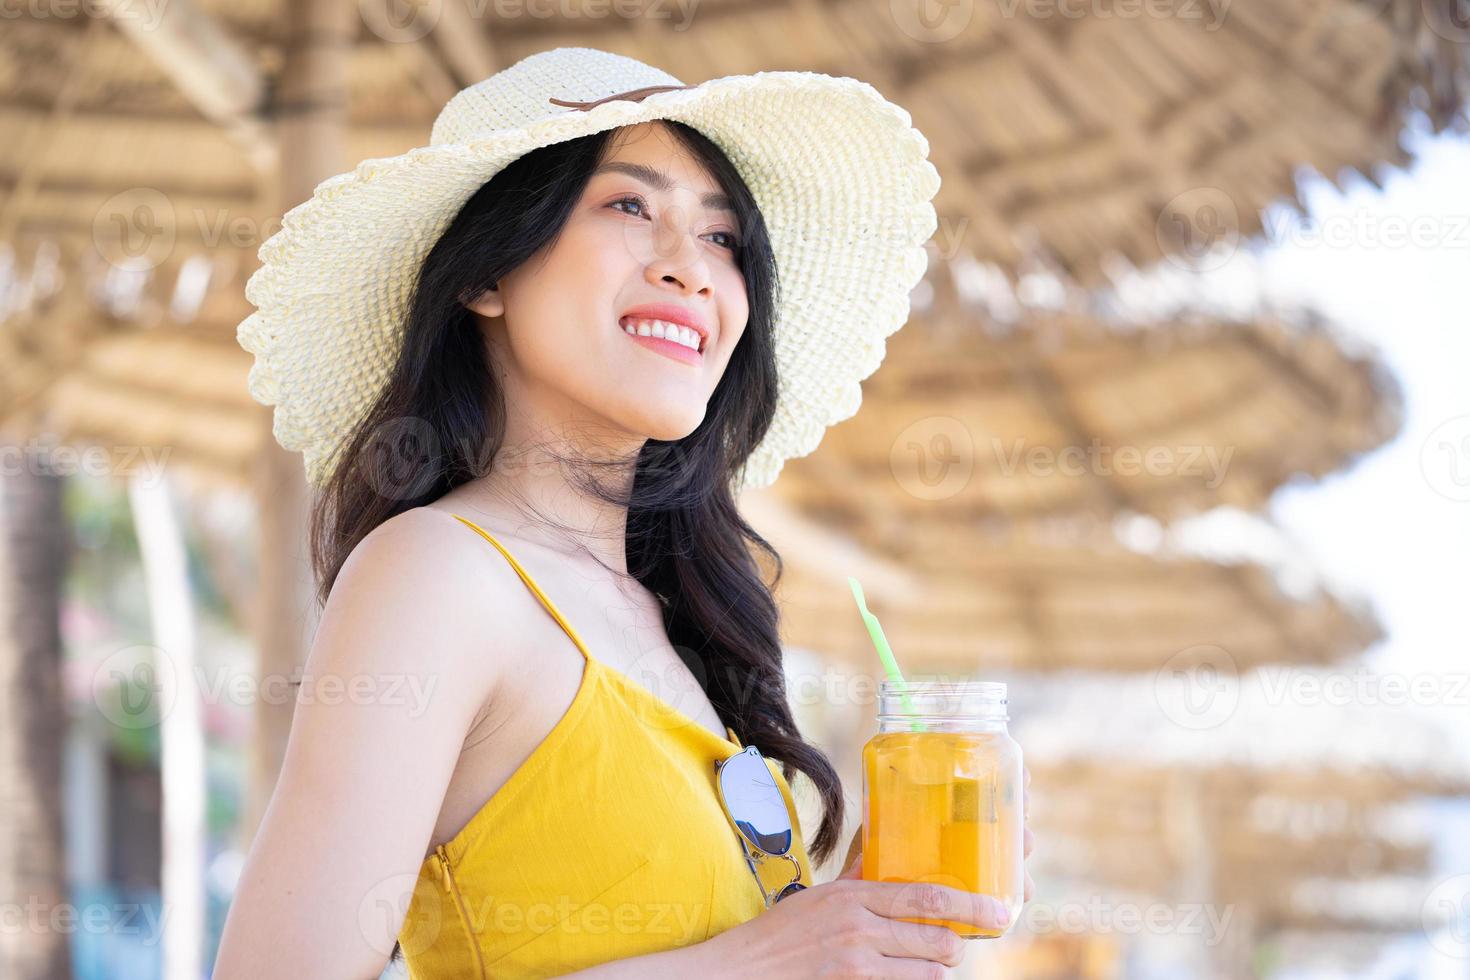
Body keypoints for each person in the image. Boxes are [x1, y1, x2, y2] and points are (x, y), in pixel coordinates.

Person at [214, 46, 1035, 978]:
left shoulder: (672, 617)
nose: (692, 269)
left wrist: (849, 926)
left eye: (724, 239)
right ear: (486, 275)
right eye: (630, 206)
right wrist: (754, 964)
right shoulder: (438, 574)